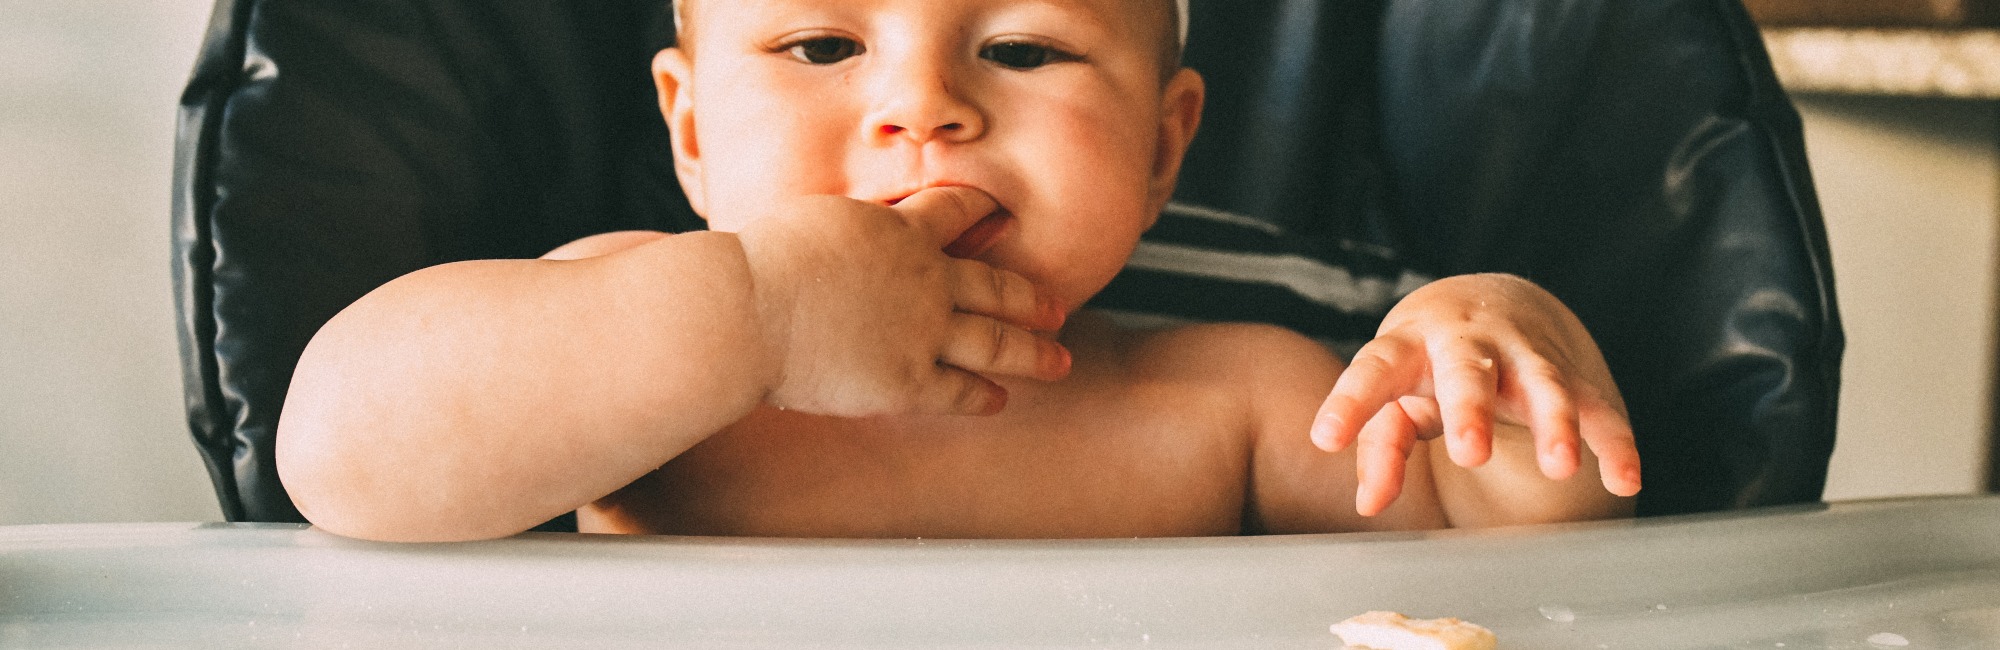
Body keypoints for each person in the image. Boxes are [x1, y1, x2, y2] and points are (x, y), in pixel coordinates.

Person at [275, 0, 1643, 543]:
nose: (922, 110)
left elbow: (1526, 551)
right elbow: (338, 453)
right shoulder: (624, 330)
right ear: (692, 135)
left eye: (1027, 49)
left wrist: (1495, 344)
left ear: (1165, 148)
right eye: (821, 49)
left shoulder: (1222, 392)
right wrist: (750, 311)